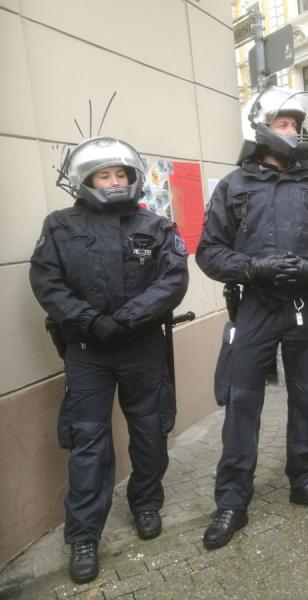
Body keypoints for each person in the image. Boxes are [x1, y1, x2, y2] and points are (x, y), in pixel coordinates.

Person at [195, 87, 308, 548]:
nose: (294, 131)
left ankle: (304, 478)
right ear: (264, 129)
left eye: (297, 124)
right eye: (285, 124)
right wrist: (252, 268)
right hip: (256, 306)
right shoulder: (235, 186)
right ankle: (232, 499)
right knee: (242, 402)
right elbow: (209, 252)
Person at [29, 136, 190, 583]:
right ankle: (83, 535)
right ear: (86, 180)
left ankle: (146, 503)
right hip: (88, 350)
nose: (115, 182)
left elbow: (172, 280)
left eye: (122, 174)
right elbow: (47, 280)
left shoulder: (156, 225)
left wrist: (128, 318)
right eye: (105, 175)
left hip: (141, 346)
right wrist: (89, 321)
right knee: (88, 442)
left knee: (150, 430)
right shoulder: (59, 225)